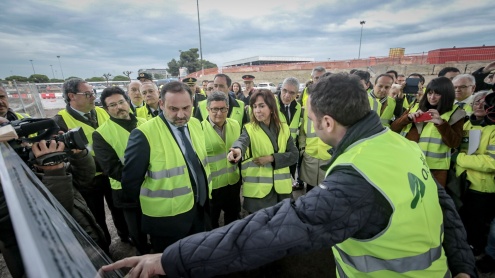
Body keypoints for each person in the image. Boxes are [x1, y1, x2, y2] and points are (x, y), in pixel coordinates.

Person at [102, 73, 476, 278]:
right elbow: (444, 205)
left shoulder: (358, 177)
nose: (312, 127)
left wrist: (171, 259)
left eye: (313, 123)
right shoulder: (401, 146)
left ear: (328, 122)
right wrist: (462, 267)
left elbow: (269, 231)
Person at [121, 81, 212, 253]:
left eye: (186, 108)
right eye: (173, 109)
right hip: (167, 222)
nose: (181, 115)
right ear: (161, 104)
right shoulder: (143, 134)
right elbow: (130, 183)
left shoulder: (195, 124)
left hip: (200, 210)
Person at [53, 78, 130, 249]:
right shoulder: (60, 121)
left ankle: (125, 237)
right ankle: (104, 248)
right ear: (71, 96)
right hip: (88, 179)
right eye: (87, 94)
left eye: (93, 93)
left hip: (111, 173)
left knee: (118, 209)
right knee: (96, 216)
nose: (92, 97)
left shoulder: (102, 111)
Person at [92, 86, 150, 255]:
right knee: (137, 231)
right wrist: (142, 177)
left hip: (154, 187)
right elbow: (111, 167)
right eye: (112, 105)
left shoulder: (145, 123)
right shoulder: (101, 134)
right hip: (126, 191)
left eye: (121, 102)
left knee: (155, 224)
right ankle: (144, 257)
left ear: (128, 101)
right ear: (106, 109)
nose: (119, 107)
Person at [228, 89, 298, 213]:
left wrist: (271, 158)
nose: (257, 110)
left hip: (281, 191)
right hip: (259, 193)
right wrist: (237, 151)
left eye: (261, 106)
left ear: (271, 107)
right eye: (254, 107)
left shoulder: (284, 129)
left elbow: (294, 155)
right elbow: (242, 141)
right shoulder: (249, 129)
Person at [391, 77, 465, 187]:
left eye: (437, 94)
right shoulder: (415, 106)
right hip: (408, 162)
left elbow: (454, 143)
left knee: (432, 200)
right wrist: (408, 118)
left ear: (446, 95)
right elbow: (394, 128)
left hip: (435, 169)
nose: (432, 97)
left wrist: (441, 124)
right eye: (430, 93)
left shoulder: (456, 113)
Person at [454, 91, 495, 257]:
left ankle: (473, 253)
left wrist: (459, 158)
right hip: (462, 183)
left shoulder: (492, 129)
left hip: (481, 187)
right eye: (477, 101)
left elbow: (492, 162)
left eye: (484, 102)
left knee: (476, 226)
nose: (480, 105)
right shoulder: (466, 125)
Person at [201, 91, 242, 228]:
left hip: (233, 183)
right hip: (213, 187)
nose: (219, 113)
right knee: (212, 223)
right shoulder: (199, 129)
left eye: (223, 109)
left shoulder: (235, 124)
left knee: (233, 221)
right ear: (207, 109)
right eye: (215, 109)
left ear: (227, 109)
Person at [298, 73, 332, 192]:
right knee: (310, 189)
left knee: (326, 190)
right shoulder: (309, 102)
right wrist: (303, 148)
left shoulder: (336, 107)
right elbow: (303, 129)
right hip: (310, 154)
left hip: (328, 157)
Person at [276, 77, 303, 189]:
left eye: (292, 93)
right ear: (281, 89)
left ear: (297, 94)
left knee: (287, 184)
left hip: (290, 153)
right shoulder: (270, 105)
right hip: (276, 152)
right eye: (285, 91)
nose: (287, 95)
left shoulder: (298, 108)